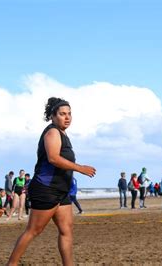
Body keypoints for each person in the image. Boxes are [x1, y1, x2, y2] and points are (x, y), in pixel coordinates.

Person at [8, 97, 96, 266]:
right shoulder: (52, 132)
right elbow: (54, 158)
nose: (67, 117)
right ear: (53, 116)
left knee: (66, 230)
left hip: (61, 191)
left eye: (69, 114)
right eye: (63, 114)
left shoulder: (63, 134)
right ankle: (11, 264)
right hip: (46, 189)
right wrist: (80, 168)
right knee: (34, 230)